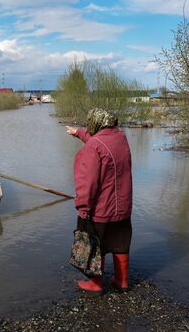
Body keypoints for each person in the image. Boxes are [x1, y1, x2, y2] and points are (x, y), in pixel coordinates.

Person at [66, 108, 133, 293]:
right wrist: (78, 133)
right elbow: (102, 143)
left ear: (94, 123)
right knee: (120, 241)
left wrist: (82, 208)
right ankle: (122, 280)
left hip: (101, 209)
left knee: (96, 244)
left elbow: (87, 183)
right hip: (123, 208)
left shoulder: (92, 148)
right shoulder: (120, 138)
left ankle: (95, 284)